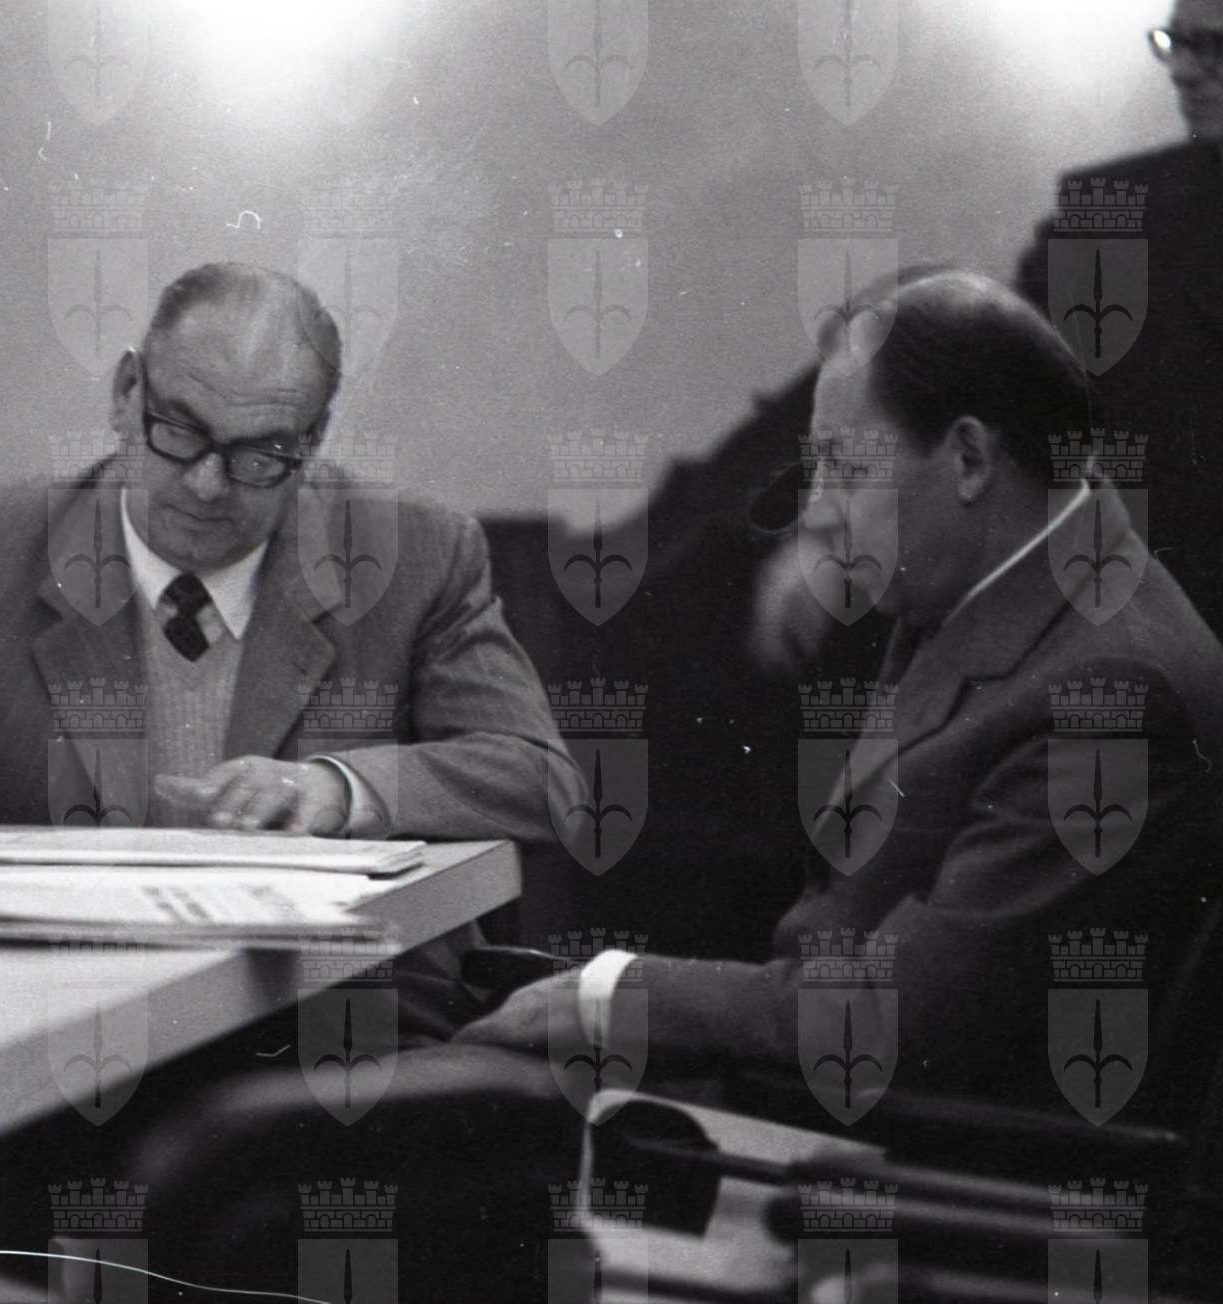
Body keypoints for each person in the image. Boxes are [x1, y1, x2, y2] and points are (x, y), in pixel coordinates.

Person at [132, 272, 1223, 1294]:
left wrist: (607, 996)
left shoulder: (1107, 688)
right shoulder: (1018, 588)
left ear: (971, 457)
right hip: (832, 1139)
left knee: (290, 1191)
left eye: (844, 468)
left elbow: (896, 1026)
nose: (819, 512)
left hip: (905, 1205)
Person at [0, 262, 577, 846]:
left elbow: (541, 780)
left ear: (314, 440)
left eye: (260, 455)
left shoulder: (412, 554)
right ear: (125, 394)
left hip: (323, 1008)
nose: (208, 485)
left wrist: (338, 789)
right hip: (66, 997)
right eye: (179, 431)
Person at [1013, 0, 1223, 629]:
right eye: (1175, 43)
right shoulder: (1109, 221)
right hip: (1152, 631)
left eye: (1215, 46)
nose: (1182, 71)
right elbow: (973, 356)